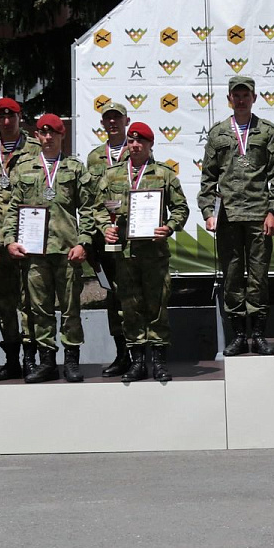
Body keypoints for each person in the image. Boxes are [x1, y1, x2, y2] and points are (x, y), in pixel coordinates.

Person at [4, 113, 96, 382]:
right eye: (43, 133)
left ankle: (71, 361)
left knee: (70, 308)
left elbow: (88, 209)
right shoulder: (24, 169)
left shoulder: (75, 168)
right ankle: (47, 361)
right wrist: (10, 240)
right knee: (39, 309)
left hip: (67, 250)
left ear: (61, 135)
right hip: (34, 252)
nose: (47, 138)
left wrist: (84, 242)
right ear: (37, 136)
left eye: (53, 133)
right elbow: (13, 209)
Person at [198, 76, 274, 356]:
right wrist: (209, 212)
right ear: (229, 99)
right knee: (233, 276)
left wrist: (273, 211)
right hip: (228, 218)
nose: (241, 99)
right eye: (236, 95)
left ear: (254, 98)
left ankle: (258, 334)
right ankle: (238, 335)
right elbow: (208, 177)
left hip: (259, 216)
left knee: (259, 277)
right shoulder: (218, 133)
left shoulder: (267, 131)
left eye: (245, 95)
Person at [95, 122, 189, 381]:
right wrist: (106, 227)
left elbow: (181, 208)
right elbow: (100, 207)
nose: (135, 145)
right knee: (129, 307)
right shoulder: (112, 175)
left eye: (141, 142)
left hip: (154, 254)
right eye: (131, 141)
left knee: (157, 306)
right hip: (124, 255)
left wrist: (169, 227)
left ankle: (158, 361)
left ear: (150, 145)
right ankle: (138, 362)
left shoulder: (164, 174)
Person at [0, 97, 35, 379]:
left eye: (11, 115)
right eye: (0, 116)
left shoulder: (35, 147)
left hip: (29, 238)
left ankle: (32, 357)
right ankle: (12, 358)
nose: (6, 120)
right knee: (4, 302)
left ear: (20, 117)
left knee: (31, 300)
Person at [82, 103, 133, 376]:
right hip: (105, 235)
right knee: (112, 295)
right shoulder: (93, 157)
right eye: (108, 119)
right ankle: (121, 353)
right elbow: (90, 201)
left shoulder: (136, 149)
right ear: (102, 123)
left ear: (126, 120)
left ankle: (140, 351)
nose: (113, 122)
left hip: (131, 234)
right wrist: (90, 238)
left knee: (133, 293)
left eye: (117, 118)